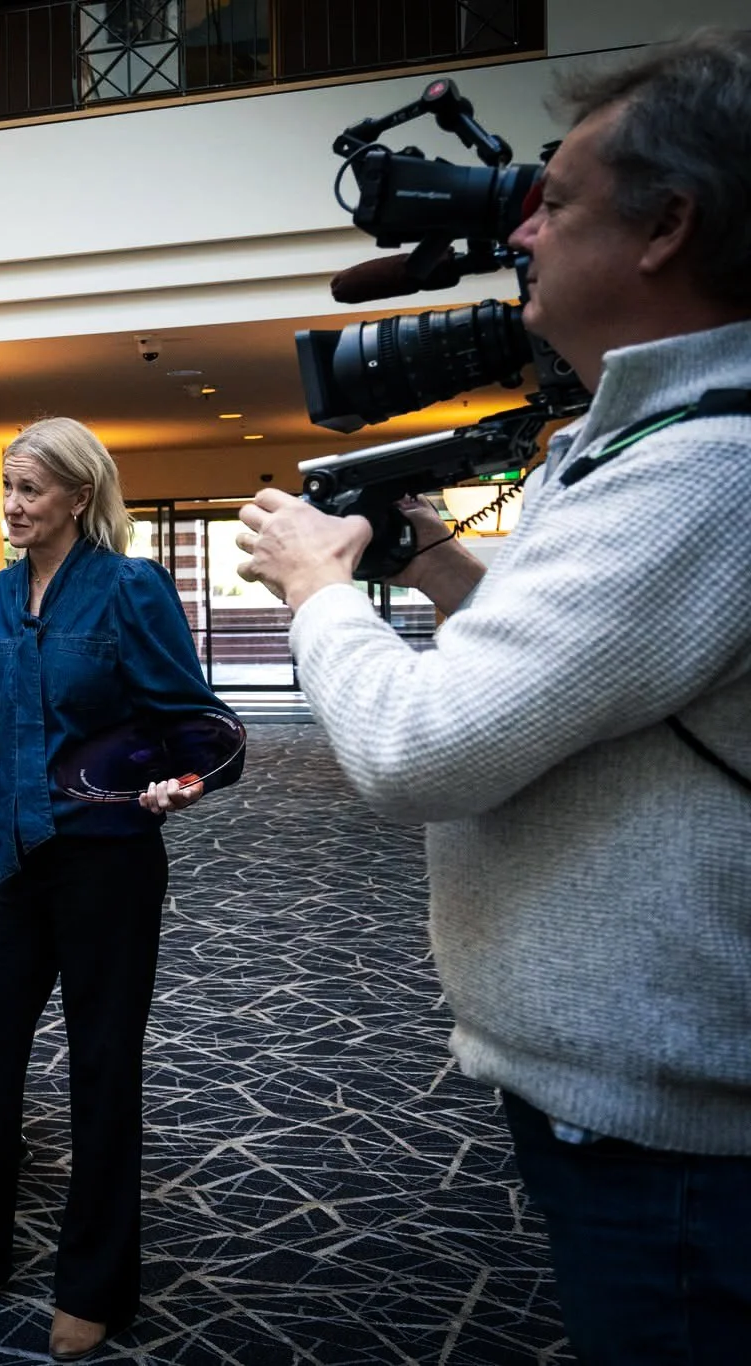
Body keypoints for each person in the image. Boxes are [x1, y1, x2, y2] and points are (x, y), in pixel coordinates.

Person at [233, 29, 751, 1364]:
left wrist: (312, 587)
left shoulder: (702, 471)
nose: (523, 229)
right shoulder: (647, 442)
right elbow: (570, 672)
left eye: (559, 201)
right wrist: (445, 561)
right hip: (636, 1099)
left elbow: (421, 747)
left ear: (669, 227)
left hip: (674, 1137)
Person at [0, 417, 235, 1361]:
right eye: (7, 488)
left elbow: (196, 724)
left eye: (30, 491)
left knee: (102, 1069)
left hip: (106, 865)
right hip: (4, 864)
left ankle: (95, 1285)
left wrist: (180, 778)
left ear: (79, 496)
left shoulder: (131, 591)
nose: (11, 507)